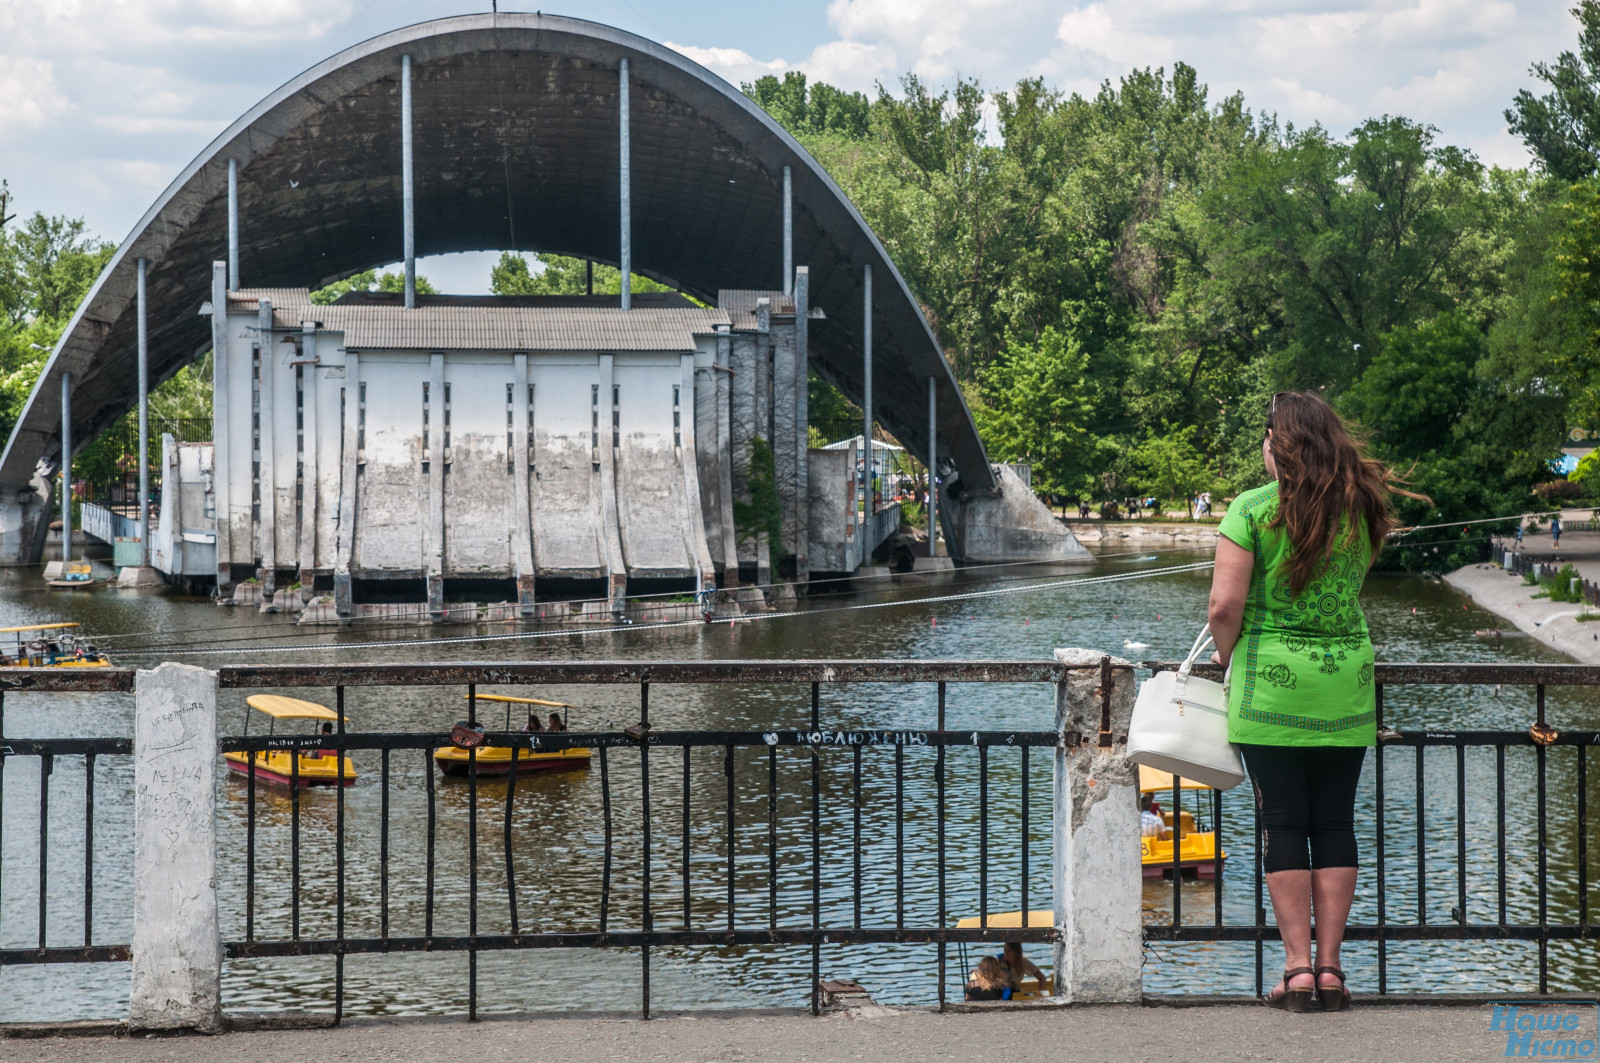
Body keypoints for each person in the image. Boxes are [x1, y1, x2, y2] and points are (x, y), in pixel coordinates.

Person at [1208, 391, 1423, 1013]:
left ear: (1281, 444)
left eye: (1267, 437)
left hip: (1271, 687)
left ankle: (1297, 970)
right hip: (1345, 685)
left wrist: (1228, 658)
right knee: (1334, 822)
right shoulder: (1361, 509)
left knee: (1283, 823)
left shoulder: (1252, 511)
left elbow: (1224, 608)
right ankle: (1332, 969)